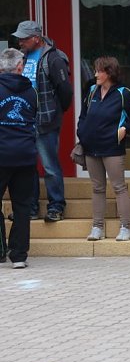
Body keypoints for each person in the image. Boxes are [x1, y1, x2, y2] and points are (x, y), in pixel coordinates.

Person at [13, 20, 72, 222]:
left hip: (45, 121)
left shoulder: (54, 58)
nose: (20, 42)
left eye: (24, 38)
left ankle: (56, 206)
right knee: (28, 166)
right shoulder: (22, 57)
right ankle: (31, 207)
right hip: (23, 122)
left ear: (36, 38)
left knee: (49, 166)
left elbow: (65, 91)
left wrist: (56, 112)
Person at [76, 57, 130, 242]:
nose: (95, 74)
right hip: (91, 148)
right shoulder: (92, 90)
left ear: (109, 72)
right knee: (97, 188)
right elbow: (83, 115)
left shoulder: (123, 92)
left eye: (98, 71)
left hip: (112, 148)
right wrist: (82, 133)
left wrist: (123, 131)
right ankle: (97, 227)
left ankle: (125, 227)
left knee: (119, 187)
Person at [0, 48, 38, 268]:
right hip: (25, 155)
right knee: (22, 206)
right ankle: (19, 255)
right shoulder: (30, 91)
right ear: (19, 67)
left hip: (2, 154)